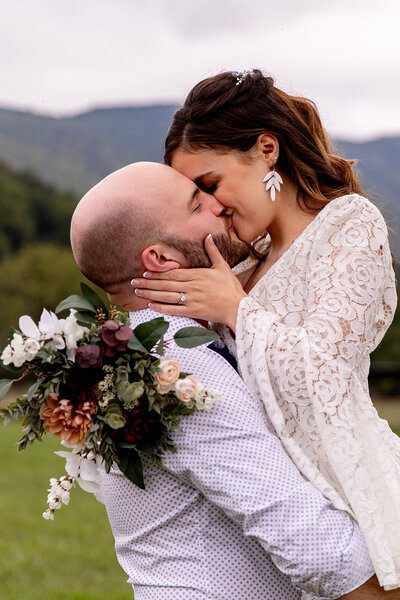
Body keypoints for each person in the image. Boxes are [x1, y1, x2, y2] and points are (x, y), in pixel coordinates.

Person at [131, 70, 400, 591]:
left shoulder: (350, 225)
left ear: (266, 149)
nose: (211, 206)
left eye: (209, 185)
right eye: (195, 196)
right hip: (278, 520)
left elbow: (325, 376)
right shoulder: (240, 259)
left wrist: (238, 312)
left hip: (354, 499)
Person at [70, 162, 384, 599]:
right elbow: (311, 542)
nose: (220, 205)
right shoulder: (171, 372)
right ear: (160, 259)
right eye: (198, 203)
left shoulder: (189, 339)